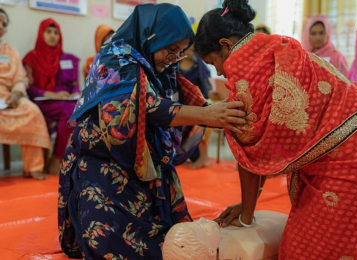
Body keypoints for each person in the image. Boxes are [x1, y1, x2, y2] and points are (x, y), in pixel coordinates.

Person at [195, 0, 357, 259]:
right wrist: (248, 204)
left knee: (302, 251)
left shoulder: (247, 73)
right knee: (353, 242)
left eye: (213, 62)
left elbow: (251, 152)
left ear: (226, 45)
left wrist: (246, 217)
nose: (219, 71)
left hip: (353, 165)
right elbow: (266, 141)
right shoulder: (275, 46)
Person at [58, 3, 246, 260]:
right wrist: (208, 115)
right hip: (103, 161)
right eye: (170, 50)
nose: (174, 58)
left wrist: (216, 112)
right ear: (151, 35)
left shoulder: (162, 65)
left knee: (175, 244)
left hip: (145, 163)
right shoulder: (117, 59)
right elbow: (145, 106)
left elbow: (187, 95)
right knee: (110, 245)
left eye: (180, 52)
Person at [23, 18, 80, 175]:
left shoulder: (68, 58)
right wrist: (52, 94)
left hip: (65, 101)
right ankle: (56, 159)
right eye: (48, 31)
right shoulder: (32, 57)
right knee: (68, 112)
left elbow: (74, 83)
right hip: (43, 101)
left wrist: (76, 92)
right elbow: (30, 88)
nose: (53, 35)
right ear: (41, 34)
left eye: (56, 32)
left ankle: (65, 158)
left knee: (74, 109)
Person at [0, 8, 50, 180]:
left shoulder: (10, 51)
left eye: (4, 24)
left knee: (32, 111)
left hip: (8, 96)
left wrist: (16, 94)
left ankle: (33, 167)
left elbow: (20, 77)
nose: (0, 26)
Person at [179, 44, 212, 169]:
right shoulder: (175, 66)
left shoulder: (200, 67)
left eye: (194, 49)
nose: (192, 51)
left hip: (198, 104)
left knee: (200, 124)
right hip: (179, 104)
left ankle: (203, 157)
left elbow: (207, 90)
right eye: (190, 48)